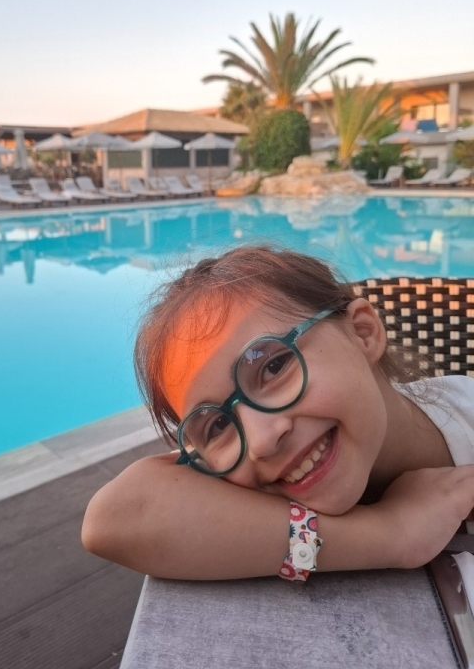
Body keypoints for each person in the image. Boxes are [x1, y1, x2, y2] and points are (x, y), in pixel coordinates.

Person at [82, 245, 474, 581]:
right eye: (218, 425)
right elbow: (116, 518)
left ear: (362, 333)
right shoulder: (231, 472)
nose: (261, 440)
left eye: (273, 367)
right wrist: (389, 535)